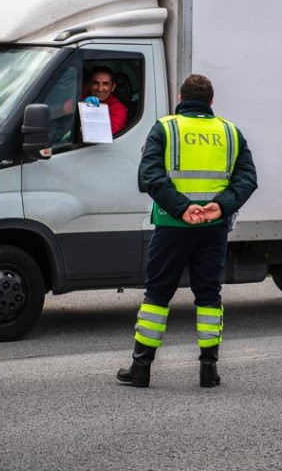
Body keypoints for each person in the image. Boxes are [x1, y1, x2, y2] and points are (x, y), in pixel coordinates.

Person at [117, 74, 257, 388]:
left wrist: (182, 208)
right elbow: (247, 179)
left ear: (181, 99)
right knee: (208, 295)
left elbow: (149, 176)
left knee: (157, 295)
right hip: (213, 228)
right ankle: (209, 370)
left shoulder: (165, 128)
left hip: (171, 225)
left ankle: (141, 368)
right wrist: (221, 206)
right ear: (211, 102)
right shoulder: (230, 132)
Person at [84, 66, 127, 135]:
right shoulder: (84, 98)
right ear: (89, 85)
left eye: (105, 84)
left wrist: (89, 111)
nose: (100, 89)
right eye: (96, 83)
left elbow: (109, 133)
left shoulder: (118, 108)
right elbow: (65, 110)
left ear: (113, 87)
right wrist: (81, 104)